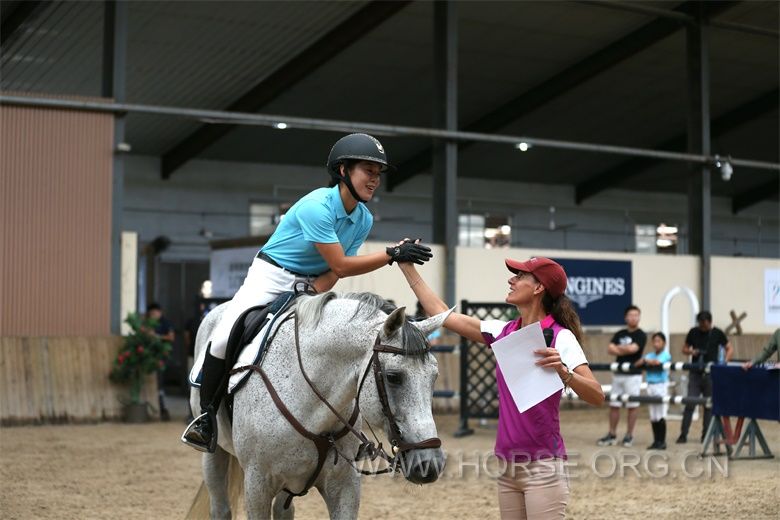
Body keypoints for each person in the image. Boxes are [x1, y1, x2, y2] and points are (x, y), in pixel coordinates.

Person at [182, 133, 433, 452]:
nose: (374, 179)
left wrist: (314, 289)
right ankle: (205, 419)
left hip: (315, 282)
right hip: (270, 276)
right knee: (222, 337)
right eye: (368, 170)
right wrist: (392, 254)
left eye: (377, 173)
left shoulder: (363, 219)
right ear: (343, 171)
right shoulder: (316, 206)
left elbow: (336, 272)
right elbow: (342, 263)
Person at [398, 256, 604, 519]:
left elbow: (597, 395)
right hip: (507, 465)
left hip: (543, 467)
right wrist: (407, 268)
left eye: (520, 276)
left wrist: (565, 373)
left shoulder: (560, 336)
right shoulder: (503, 331)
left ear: (539, 288)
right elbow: (442, 314)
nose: (511, 279)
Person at [677, 310, 732, 444]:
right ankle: (683, 434)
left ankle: (706, 435)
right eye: (701, 324)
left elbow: (729, 347)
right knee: (690, 403)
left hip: (711, 373)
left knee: (708, 406)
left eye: (705, 324)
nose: (703, 327)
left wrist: (724, 362)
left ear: (710, 322)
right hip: (695, 372)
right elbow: (684, 349)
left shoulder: (717, 333)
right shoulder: (693, 332)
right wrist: (691, 351)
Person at [597, 305, 646, 448]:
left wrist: (619, 349)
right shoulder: (620, 333)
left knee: (632, 406)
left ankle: (629, 435)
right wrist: (625, 350)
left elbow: (634, 349)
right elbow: (610, 349)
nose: (634, 318)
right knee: (614, 404)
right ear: (626, 317)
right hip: (618, 373)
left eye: (637, 315)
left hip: (633, 375)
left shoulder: (641, 334)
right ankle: (611, 434)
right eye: (631, 315)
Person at [635, 332, 671, 449]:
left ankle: (662, 441)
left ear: (664, 343)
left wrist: (646, 361)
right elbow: (637, 364)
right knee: (653, 415)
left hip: (661, 385)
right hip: (650, 385)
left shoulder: (665, 355)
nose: (656, 344)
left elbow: (657, 362)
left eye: (659, 341)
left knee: (661, 414)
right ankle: (656, 441)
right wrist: (645, 360)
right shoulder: (650, 355)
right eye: (654, 341)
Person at [143, 303, 175, 421]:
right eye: (151, 314)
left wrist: (156, 336)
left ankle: (163, 408)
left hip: (161, 357)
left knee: (160, 384)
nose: (153, 315)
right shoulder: (147, 324)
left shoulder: (165, 323)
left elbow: (171, 337)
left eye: (155, 313)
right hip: (149, 357)